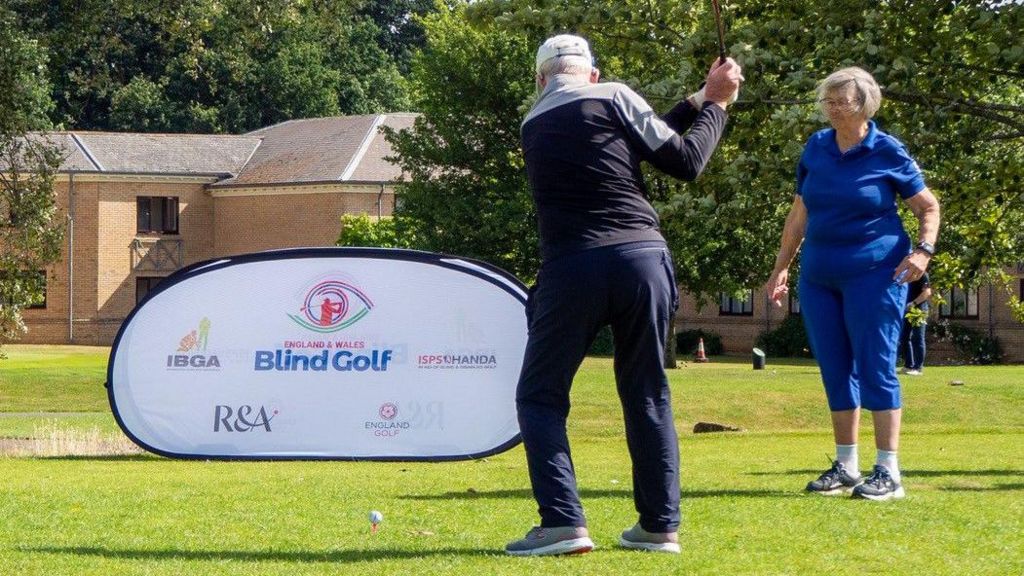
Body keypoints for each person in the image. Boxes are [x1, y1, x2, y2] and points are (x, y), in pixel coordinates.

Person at [506, 34, 742, 556]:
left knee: (540, 398)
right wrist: (719, 105)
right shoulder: (614, 95)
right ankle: (660, 526)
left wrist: (700, 98)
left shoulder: (533, 122)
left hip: (571, 270)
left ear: (542, 80)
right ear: (590, 73)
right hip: (641, 261)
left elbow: (638, 134)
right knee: (646, 393)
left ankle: (563, 522)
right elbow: (683, 160)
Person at [764, 67, 940, 501]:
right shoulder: (817, 147)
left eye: (843, 101)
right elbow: (799, 211)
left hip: (876, 275)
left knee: (876, 366)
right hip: (820, 276)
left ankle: (888, 472)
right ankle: (846, 465)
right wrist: (782, 266)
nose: (834, 108)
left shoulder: (887, 150)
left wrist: (922, 252)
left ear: (866, 104)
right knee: (835, 367)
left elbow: (928, 207)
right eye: (829, 100)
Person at [899, 273, 932, 375]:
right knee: (904, 337)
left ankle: (918, 368)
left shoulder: (922, 274)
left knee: (918, 337)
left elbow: (927, 292)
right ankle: (909, 365)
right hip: (906, 308)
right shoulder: (903, 274)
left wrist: (913, 303)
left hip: (919, 308)